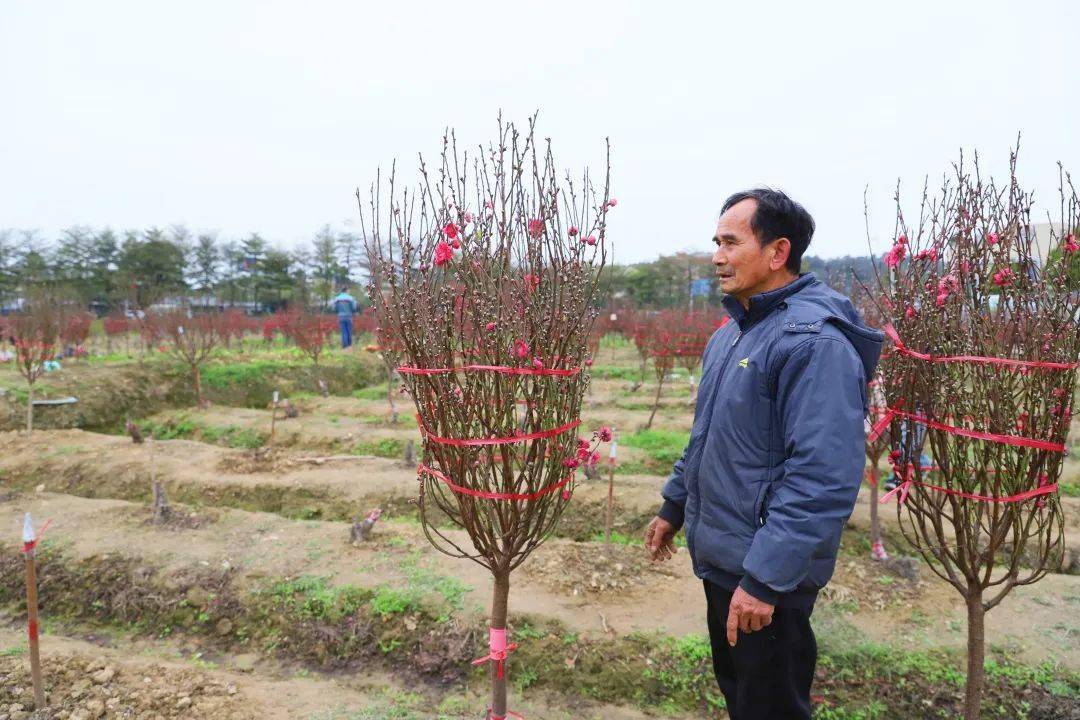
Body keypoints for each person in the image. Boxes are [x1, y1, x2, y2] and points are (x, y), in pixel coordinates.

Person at [643, 189, 883, 720]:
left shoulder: (813, 343)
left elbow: (821, 477)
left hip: (765, 577)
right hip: (728, 563)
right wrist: (674, 505)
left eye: (731, 242)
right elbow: (709, 434)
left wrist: (766, 580)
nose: (717, 256)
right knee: (742, 695)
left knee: (770, 705)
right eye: (717, 242)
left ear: (777, 252)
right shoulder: (733, 335)